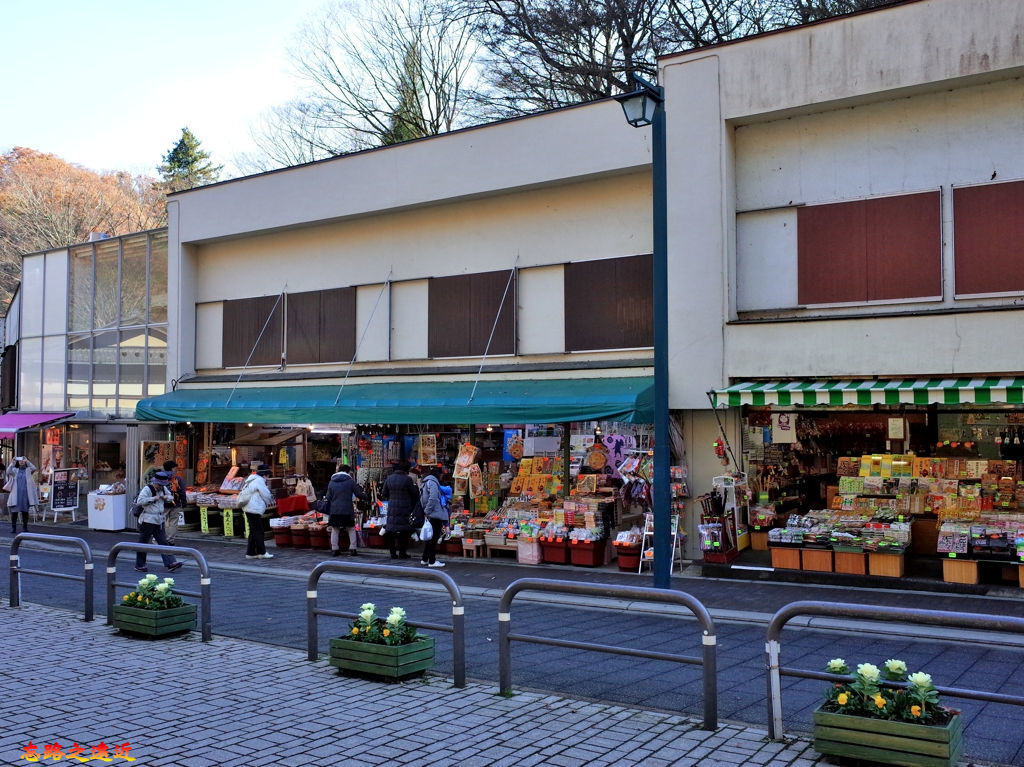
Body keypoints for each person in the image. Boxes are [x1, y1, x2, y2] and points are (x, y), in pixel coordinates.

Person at [134, 471, 183, 573]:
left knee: (163, 541)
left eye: (163, 485)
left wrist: (167, 498)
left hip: (159, 520)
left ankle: (170, 563)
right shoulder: (147, 489)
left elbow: (171, 497)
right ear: (155, 482)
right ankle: (140, 565)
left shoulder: (163, 489)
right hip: (147, 520)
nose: (161, 487)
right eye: (160, 485)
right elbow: (140, 501)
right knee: (143, 543)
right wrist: (153, 498)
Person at [324, 463, 367, 556]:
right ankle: (353, 548)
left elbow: (328, 497)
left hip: (334, 510)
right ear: (347, 472)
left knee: (335, 529)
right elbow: (358, 494)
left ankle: (335, 549)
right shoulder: (350, 481)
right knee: (351, 529)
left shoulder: (332, 482)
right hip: (347, 510)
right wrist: (367, 497)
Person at [380, 461, 418, 560]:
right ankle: (402, 552)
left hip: (392, 507)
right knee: (404, 531)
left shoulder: (389, 478)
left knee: (391, 530)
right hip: (405, 507)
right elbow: (414, 493)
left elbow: (384, 493)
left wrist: (392, 498)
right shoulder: (407, 479)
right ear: (406, 470)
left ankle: (393, 553)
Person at [239, 464, 274, 560]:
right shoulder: (259, 480)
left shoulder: (251, 479)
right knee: (259, 531)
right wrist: (269, 500)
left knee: (253, 531)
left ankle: (250, 553)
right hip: (254, 508)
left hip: (249, 508)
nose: (268, 477)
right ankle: (261, 552)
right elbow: (266, 494)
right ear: (265, 475)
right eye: (268, 475)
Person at [419, 465, 449, 568]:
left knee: (430, 537)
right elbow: (433, 498)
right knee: (434, 537)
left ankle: (424, 558)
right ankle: (432, 561)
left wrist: (425, 510)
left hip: (430, 513)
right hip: (434, 513)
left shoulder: (425, 482)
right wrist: (427, 511)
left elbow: (423, 498)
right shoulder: (433, 483)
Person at [6, 457, 39, 534]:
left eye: (22, 461)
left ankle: (25, 527)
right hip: (16, 494)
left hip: (25, 494)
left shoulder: (28, 470)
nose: (21, 462)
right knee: (14, 512)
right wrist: (12, 462)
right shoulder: (15, 470)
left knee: (25, 511)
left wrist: (27, 461)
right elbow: (8, 471)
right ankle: (13, 528)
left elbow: (34, 468)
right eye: (20, 461)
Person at [161, 460, 187, 544]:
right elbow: (182, 491)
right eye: (175, 468)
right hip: (175, 503)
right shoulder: (177, 478)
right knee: (173, 522)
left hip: (162, 503)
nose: (176, 469)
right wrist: (184, 502)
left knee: (161, 521)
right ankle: (170, 540)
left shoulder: (160, 477)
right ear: (172, 468)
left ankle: (158, 540)